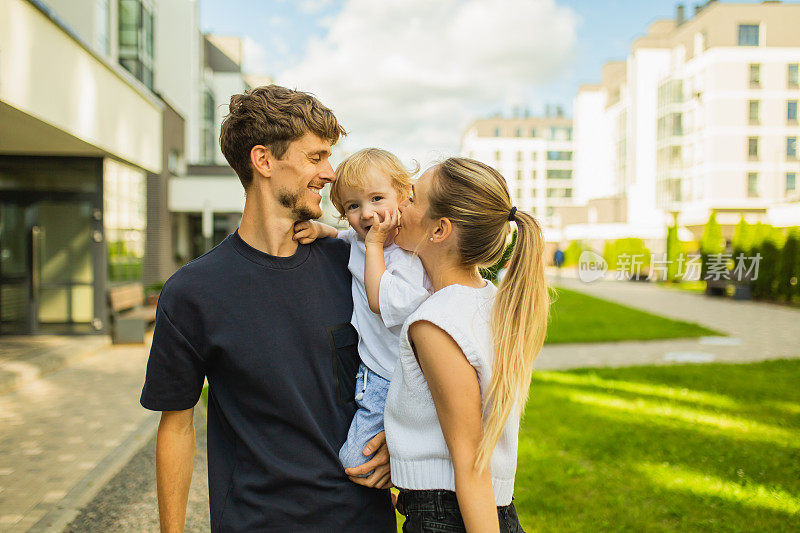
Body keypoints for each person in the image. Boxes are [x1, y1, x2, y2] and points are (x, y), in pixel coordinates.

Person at [139, 85, 396, 531]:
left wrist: (396, 434)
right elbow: (176, 427)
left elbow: (408, 358)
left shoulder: (354, 269)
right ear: (263, 161)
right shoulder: (193, 292)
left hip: (361, 519)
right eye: (316, 158)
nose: (331, 173)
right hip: (256, 521)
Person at [385, 157, 550, 532]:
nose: (399, 206)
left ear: (440, 229)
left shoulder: (437, 322)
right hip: (469, 509)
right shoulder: (489, 302)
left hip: (459, 516)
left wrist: (430, 507)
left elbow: (472, 464)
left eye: (411, 198)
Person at [293, 148, 431, 475]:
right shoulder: (360, 238)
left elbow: (380, 301)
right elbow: (343, 237)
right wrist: (321, 230)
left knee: (356, 460)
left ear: (403, 196)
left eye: (377, 198)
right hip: (377, 368)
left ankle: (406, 480)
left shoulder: (408, 255)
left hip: (397, 376)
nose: (367, 214)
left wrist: (375, 247)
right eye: (353, 206)